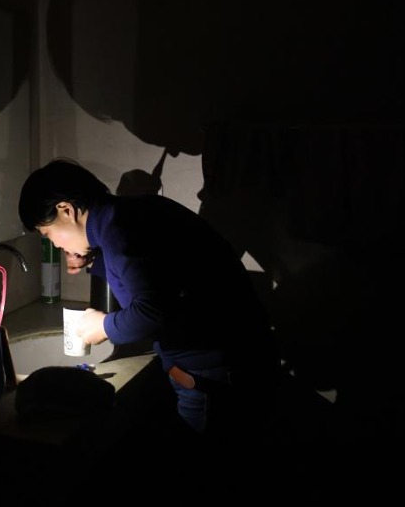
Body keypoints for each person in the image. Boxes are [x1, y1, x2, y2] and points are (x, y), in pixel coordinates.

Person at [18, 158, 281, 442]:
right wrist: (94, 259)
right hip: (234, 358)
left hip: (211, 373)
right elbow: (153, 276)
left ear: (66, 210)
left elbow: (152, 313)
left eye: (48, 233)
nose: (55, 244)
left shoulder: (118, 229)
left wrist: (103, 326)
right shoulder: (127, 215)